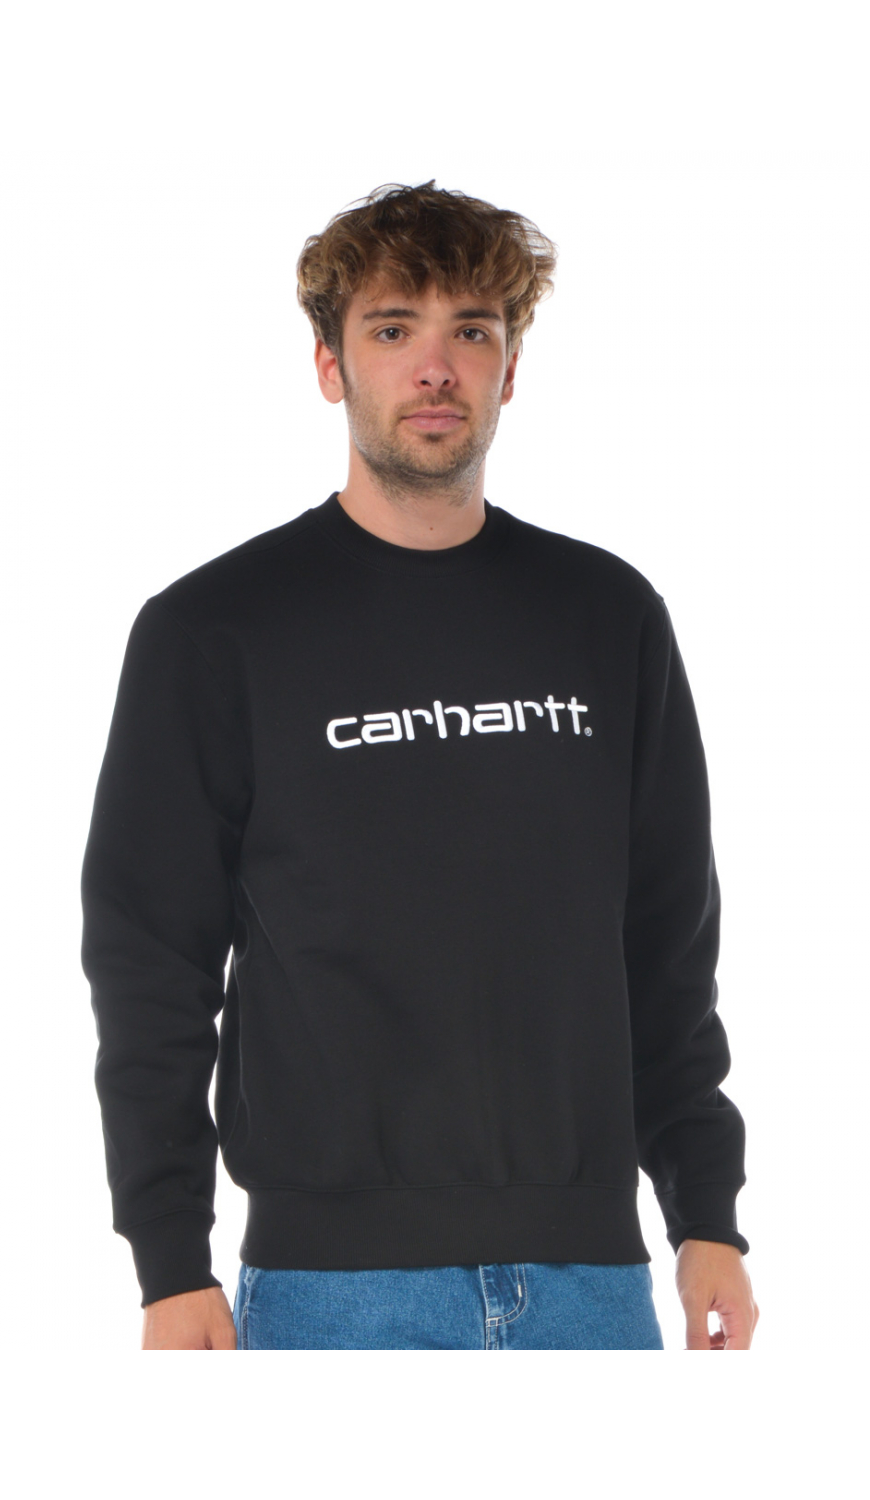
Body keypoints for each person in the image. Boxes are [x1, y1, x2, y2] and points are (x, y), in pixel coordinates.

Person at [81, 180, 759, 1350]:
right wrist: (168, 1260)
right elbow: (151, 961)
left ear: (510, 369)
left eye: (472, 332)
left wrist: (708, 1212)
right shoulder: (215, 629)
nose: (436, 367)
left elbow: (666, 944)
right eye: (394, 329)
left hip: (592, 1286)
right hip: (334, 1295)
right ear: (330, 365)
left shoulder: (609, 616)